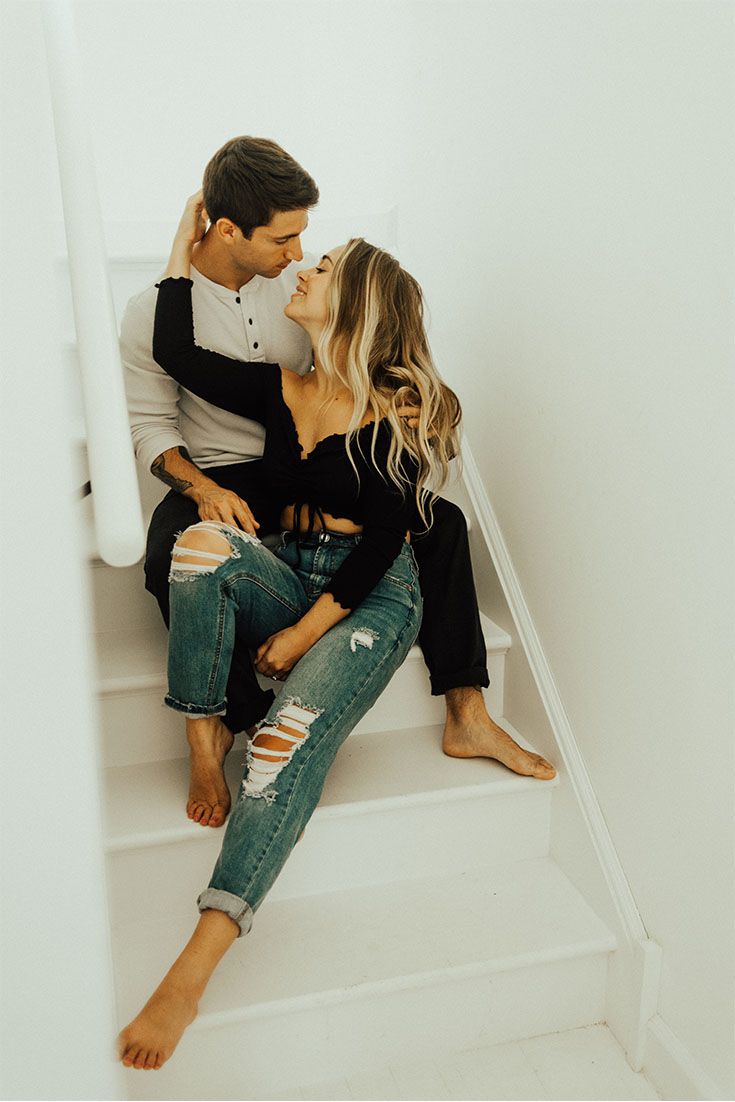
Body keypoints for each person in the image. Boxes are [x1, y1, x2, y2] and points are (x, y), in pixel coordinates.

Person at [121, 136, 555, 830]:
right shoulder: (157, 310)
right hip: (222, 474)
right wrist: (201, 489)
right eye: (286, 238)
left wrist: (405, 404)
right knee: (172, 548)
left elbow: (361, 350)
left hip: (300, 461)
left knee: (437, 522)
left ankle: (467, 710)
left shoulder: (298, 293)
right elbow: (153, 416)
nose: (298, 256)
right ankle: (232, 717)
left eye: (306, 244)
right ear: (227, 229)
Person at [118, 193, 461, 1069]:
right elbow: (175, 351)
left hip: (370, 599)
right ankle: (202, 730)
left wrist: (305, 634)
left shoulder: (401, 411)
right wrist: (178, 249)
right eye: (304, 254)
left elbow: (383, 544)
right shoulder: (285, 384)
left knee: (278, 748)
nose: (303, 269)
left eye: (322, 267)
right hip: (292, 565)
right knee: (199, 544)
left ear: (352, 304)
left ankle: (195, 966)